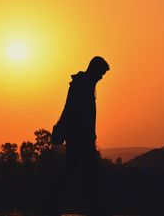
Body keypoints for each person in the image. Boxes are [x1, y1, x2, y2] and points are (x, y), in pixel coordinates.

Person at [49, 56, 110, 215]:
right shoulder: (82, 85)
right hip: (80, 136)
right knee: (88, 171)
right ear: (94, 69)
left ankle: (52, 200)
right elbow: (71, 108)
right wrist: (65, 127)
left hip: (81, 135)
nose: (101, 77)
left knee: (74, 169)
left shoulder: (84, 84)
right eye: (101, 73)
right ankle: (92, 206)